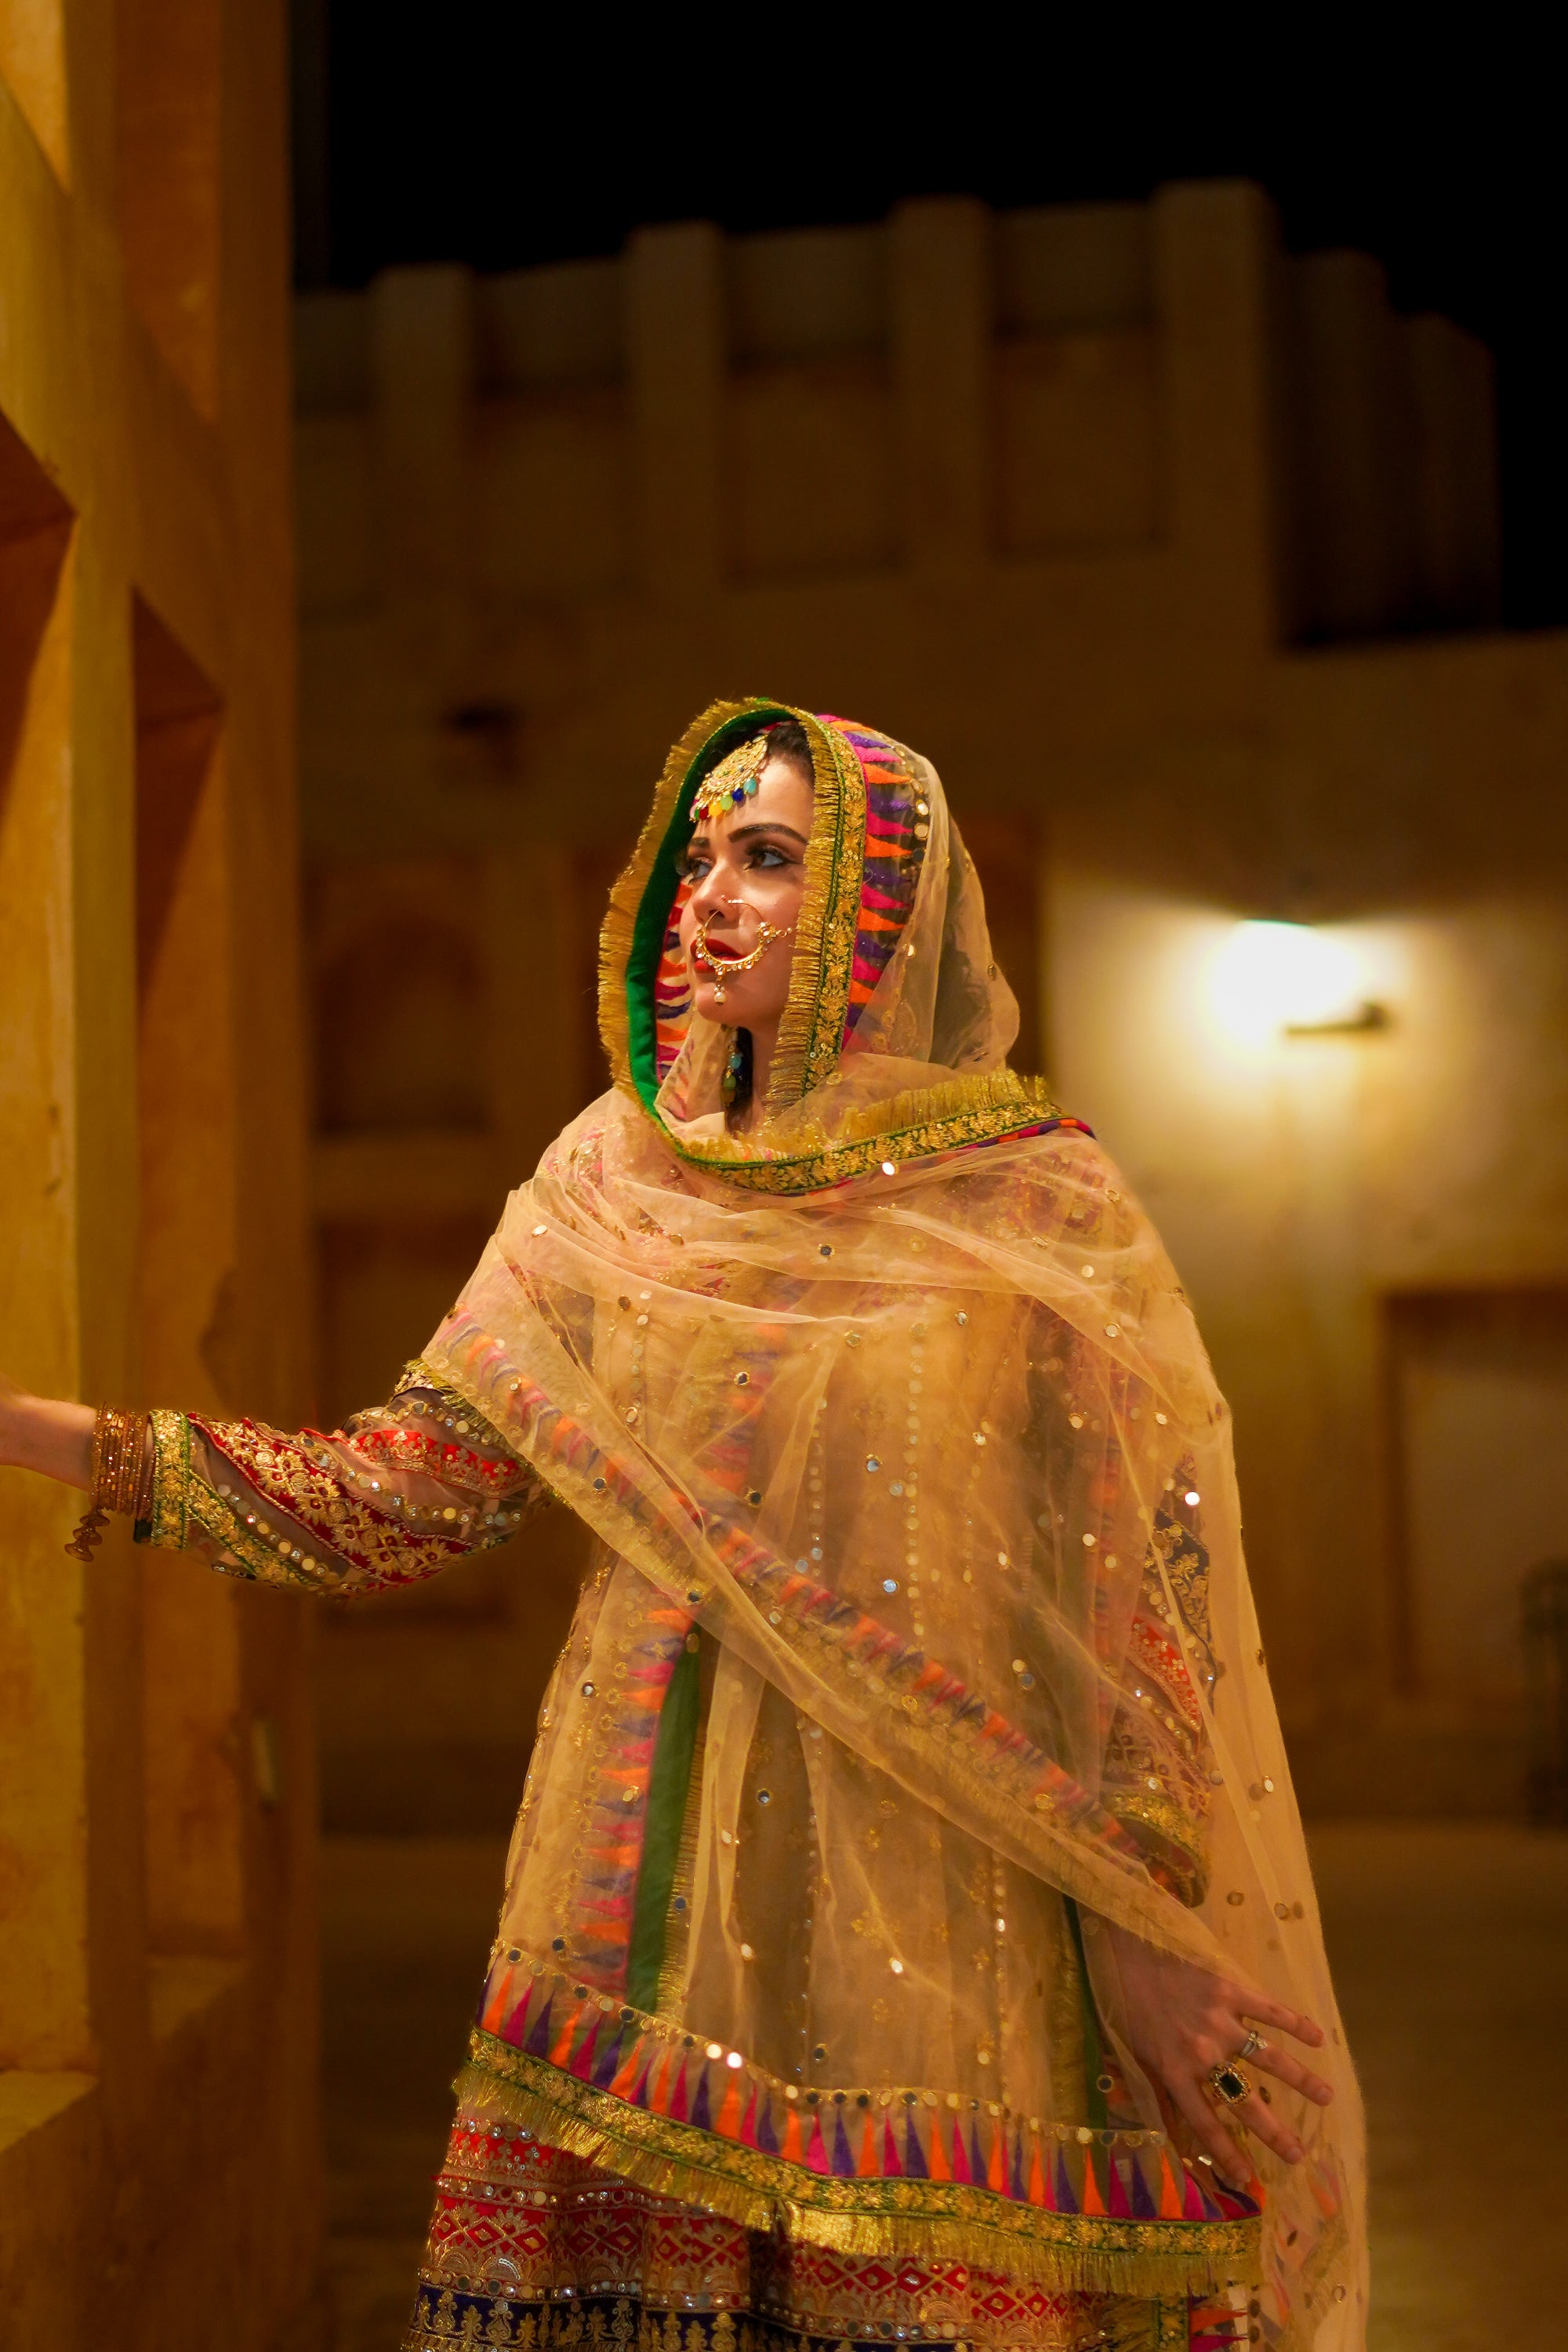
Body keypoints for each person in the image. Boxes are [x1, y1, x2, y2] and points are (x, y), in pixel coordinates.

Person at [1, 702, 1364, 2351]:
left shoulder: (1031, 1203)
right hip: (639, 1933)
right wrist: (40, 1433)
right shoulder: (608, 1186)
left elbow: (1140, 1593)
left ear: (878, 903)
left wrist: (1138, 1927)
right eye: (701, 857)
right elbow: (396, 1500)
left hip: (953, 1930)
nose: (708, 895)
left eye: (768, 858)